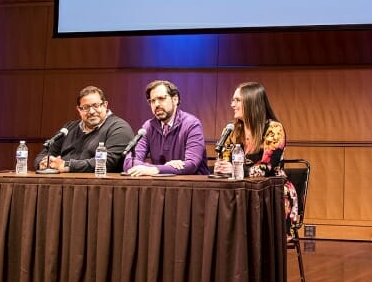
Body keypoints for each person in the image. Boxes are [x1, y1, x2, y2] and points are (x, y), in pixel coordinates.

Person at [215, 81, 298, 226]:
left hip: (270, 190)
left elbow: (266, 168)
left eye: (237, 100)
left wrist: (236, 170)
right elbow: (225, 160)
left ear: (251, 102)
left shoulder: (274, 129)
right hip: (240, 189)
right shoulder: (231, 129)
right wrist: (222, 167)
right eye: (232, 100)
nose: (232, 105)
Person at [36, 85, 135, 173]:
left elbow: (108, 162)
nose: (91, 111)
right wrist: (44, 163)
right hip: (63, 185)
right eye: (86, 107)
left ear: (105, 105)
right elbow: (44, 153)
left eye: (96, 106)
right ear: (79, 109)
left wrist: (67, 165)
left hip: (101, 187)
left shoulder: (119, 128)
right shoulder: (68, 128)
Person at [124, 80, 209, 176]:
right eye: (152, 101)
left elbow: (191, 165)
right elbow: (129, 163)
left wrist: (155, 169)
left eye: (161, 98)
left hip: (193, 187)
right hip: (161, 186)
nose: (156, 104)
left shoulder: (192, 124)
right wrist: (164, 168)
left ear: (175, 99)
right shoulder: (148, 127)